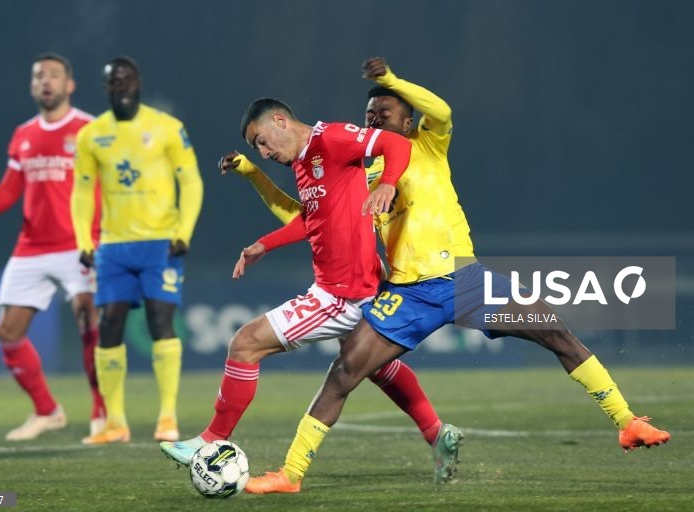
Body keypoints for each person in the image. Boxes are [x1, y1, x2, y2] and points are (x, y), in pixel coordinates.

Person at [243, 57, 671, 494]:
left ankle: (627, 422)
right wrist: (255, 178)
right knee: (344, 371)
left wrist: (391, 80)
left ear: (409, 118)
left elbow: (443, 110)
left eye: (385, 112)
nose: (374, 119)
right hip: (408, 292)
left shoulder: (429, 143)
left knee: (555, 332)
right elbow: (309, 216)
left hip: (465, 283)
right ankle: (290, 475)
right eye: (369, 115)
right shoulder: (362, 168)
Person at [161, 98, 458, 478]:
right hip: (358, 285)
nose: (266, 153)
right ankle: (437, 433)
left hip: (341, 294)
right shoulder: (305, 163)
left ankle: (212, 438)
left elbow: (396, 144)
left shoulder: (332, 139)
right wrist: (263, 244)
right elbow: (312, 221)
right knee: (376, 366)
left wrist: (385, 184)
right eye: (259, 150)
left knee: (245, 343)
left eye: (263, 142)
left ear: (281, 121)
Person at [0, 53, 105, 441]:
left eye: (54, 75)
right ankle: (47, 411)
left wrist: (103, 237)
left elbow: (110, 186)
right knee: (8, 332)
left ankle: (102, 411)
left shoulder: (90, 129)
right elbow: (11, 189)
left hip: (80, 242)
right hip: (31, 246)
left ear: (70, 85)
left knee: (89, 320)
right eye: (38, 76)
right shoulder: (23, 134)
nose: (45, 81)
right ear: (32, 86)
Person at [71, 56, 203, 445]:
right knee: (108, 325)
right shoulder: (92, 135)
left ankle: (167, 418)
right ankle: (115, 423)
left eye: (126, 81)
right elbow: (81, 191)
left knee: (160, 321)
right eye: (114, 82)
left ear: (138, 83)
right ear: (106, 88)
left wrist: (184, 231)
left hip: (160, 242)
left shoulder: (167, 128)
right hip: (113, 245)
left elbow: (191, 181)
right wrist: (83, 238)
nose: (121, 87)